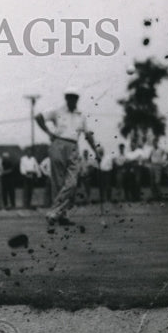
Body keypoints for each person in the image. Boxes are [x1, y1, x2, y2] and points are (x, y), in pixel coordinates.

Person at [36, 87, 95, 228]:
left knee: (72, 183)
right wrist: (49, 133)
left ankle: (53, 211)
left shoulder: (81, 115)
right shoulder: (57, 111)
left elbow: (88, 135)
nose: (72, 99)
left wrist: (96, 151)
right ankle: (62, 216)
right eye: (69, 97)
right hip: (58, 144)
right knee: (58, 182)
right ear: (66, 98)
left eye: (74, 97)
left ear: (77, 99)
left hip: (74, 146)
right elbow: (38, 117)